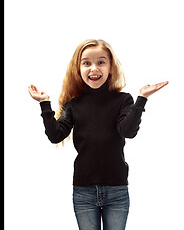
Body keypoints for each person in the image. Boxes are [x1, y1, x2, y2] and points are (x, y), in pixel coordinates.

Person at [28, 39, 168, 230]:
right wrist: (44, 103)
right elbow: (55, 135)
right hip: (83, 191)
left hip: (117, 190)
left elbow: (128, 131)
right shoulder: (73, 105)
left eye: (101, 62)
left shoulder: (123, 100)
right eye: (87, 63)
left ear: (110, 68)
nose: (94, 68)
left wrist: (141, 99)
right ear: (79, 69)